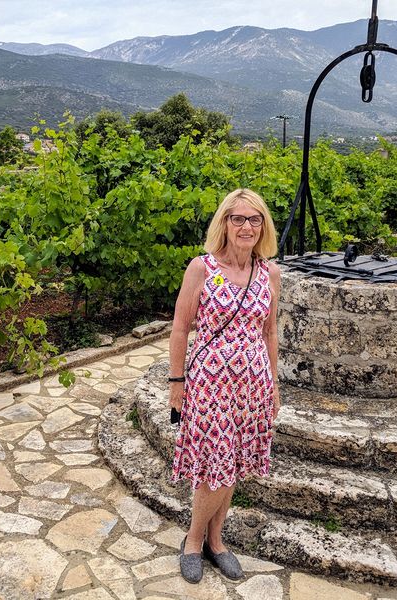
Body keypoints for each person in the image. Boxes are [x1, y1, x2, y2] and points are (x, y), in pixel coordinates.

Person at [168, 188, 281, 584]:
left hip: (252, 385)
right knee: (217, 462)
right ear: (225, 224)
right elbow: (181, 328)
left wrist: (274, 385)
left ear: (263, 226)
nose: (246, 226)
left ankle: (216, 540)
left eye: (255, 219)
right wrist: (176, 382)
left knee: (232, 462)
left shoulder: (269, 273)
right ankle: (194, 541)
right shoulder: (202, 268)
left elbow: (269, 330)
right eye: (238, 219)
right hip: (209, 383)